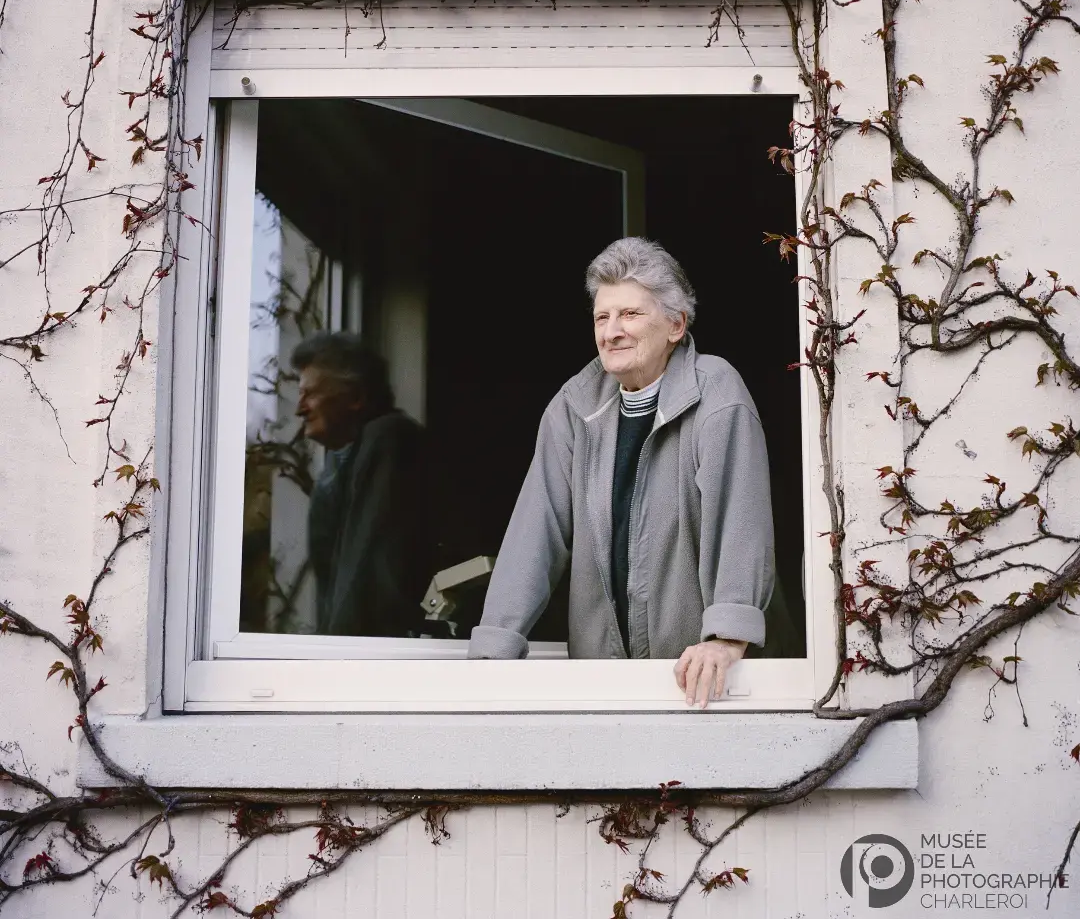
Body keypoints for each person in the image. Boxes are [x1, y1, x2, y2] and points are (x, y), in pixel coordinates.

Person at [468, 238, 775, 706]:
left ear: (676, 325)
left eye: (630, 315)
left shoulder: (715, 390)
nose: (611, 332)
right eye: (601, 317)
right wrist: (493, 649)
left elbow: (740, 516)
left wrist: (727, 636)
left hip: (703, 681)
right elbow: (536, 529)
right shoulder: (574, 405)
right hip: (605, 682)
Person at [292, 333, 431, 638]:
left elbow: (367, 569)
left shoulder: (388, 440)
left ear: (355, 398)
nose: (299, 409)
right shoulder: (338, 460)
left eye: (309, 394)